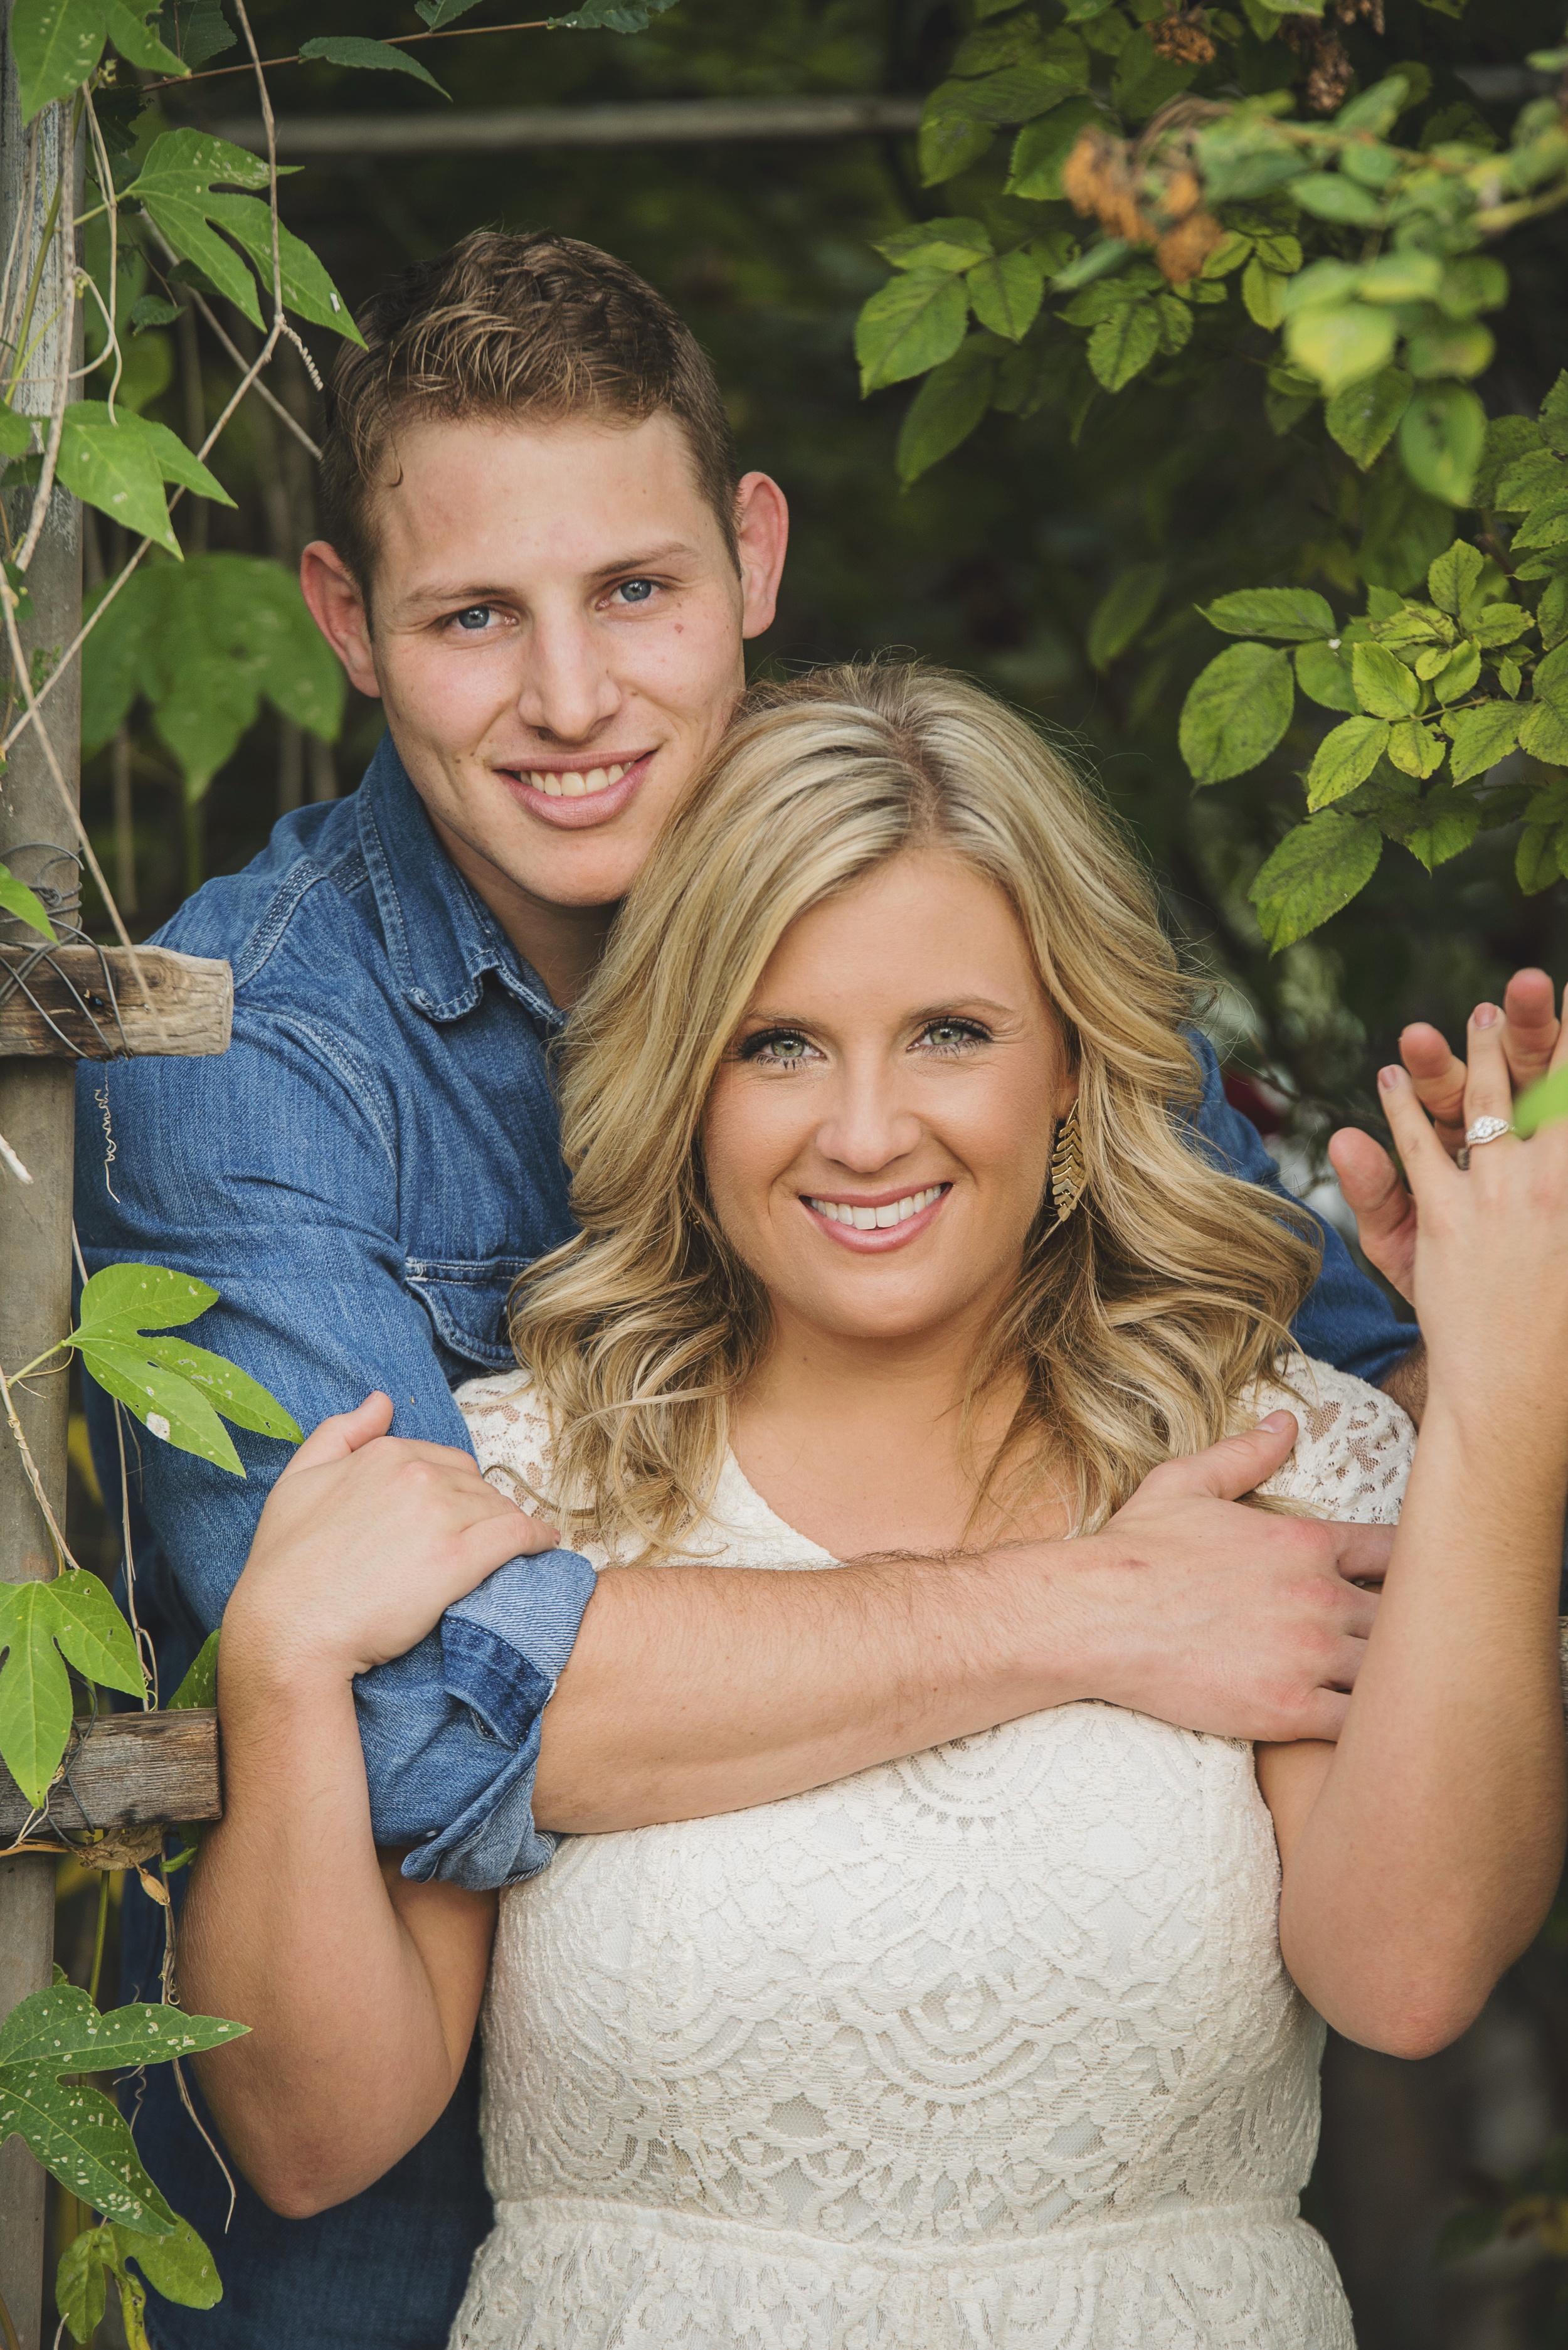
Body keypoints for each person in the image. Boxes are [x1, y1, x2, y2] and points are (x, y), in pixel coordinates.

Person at [75, 231, 1431, 2349]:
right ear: (345, 618)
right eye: (469, 618)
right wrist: (1090, 1606)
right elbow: (434, 1727)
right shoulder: (253, 1059)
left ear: (752, 558)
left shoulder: (960, 864)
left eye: (634, 590)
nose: (573, 699)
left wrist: (1483, 1351)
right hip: (435, 2195)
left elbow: (1305, 1391)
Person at [181, 663, 1568, 2350]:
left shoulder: (1268, 1453)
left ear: (1070, 1063)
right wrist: (277, 1669)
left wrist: (1504, 1398)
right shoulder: (535, 1479)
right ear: (684, 1076)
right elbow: (314, 2137)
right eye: (778, 1043)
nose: (860, 1131)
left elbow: (1407, 1971)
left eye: (950, 1034)